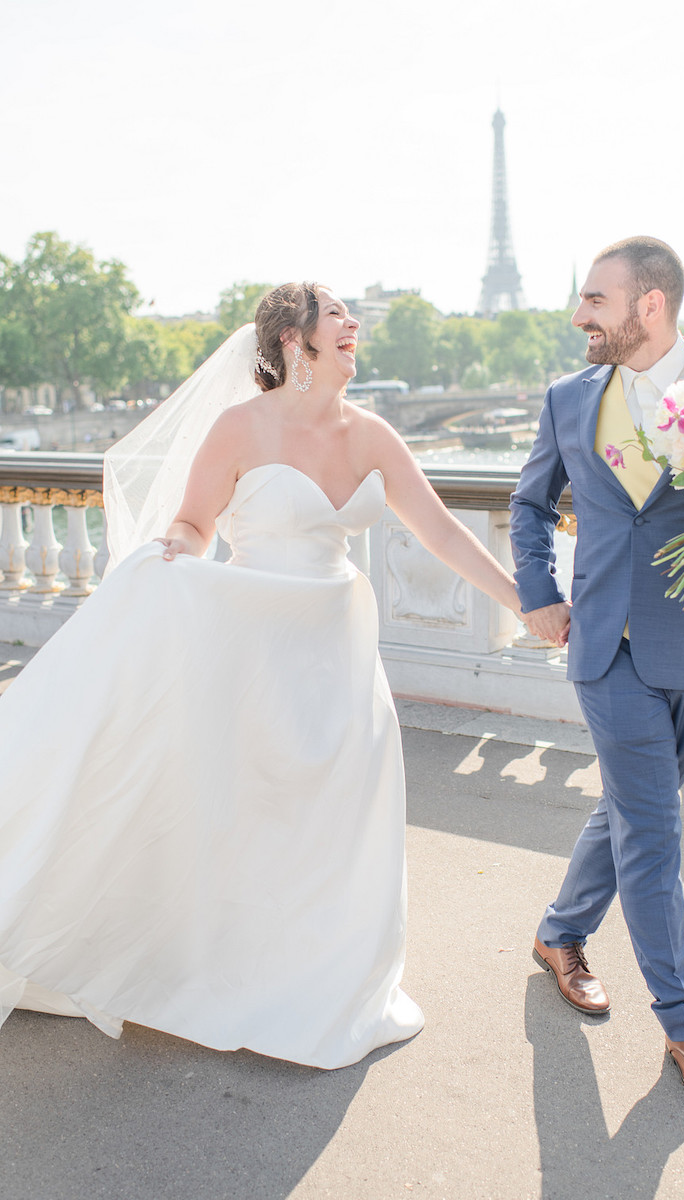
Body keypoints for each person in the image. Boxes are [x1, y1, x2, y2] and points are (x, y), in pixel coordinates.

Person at [0, 282, 521, 1070]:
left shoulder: (373, 433)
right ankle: (229, 967)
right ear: (292, 342)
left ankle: (328, 973)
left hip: (338, 646)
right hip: (253, 648)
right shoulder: (238, 427)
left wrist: (528, 604)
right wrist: (176, 546)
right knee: (250, 805)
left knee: (340, 806)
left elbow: (442, 531)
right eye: (338, 315)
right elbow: (194, 521)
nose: (354, 325)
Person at [510, 237, 684, 1106]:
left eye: (594, 300)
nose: (578, 316)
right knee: (654, 832)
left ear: (649, 306)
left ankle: (560, 932)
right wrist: (537, 592)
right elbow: (527, 503)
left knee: (633, 814)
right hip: (602, 648)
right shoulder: (567, 398)